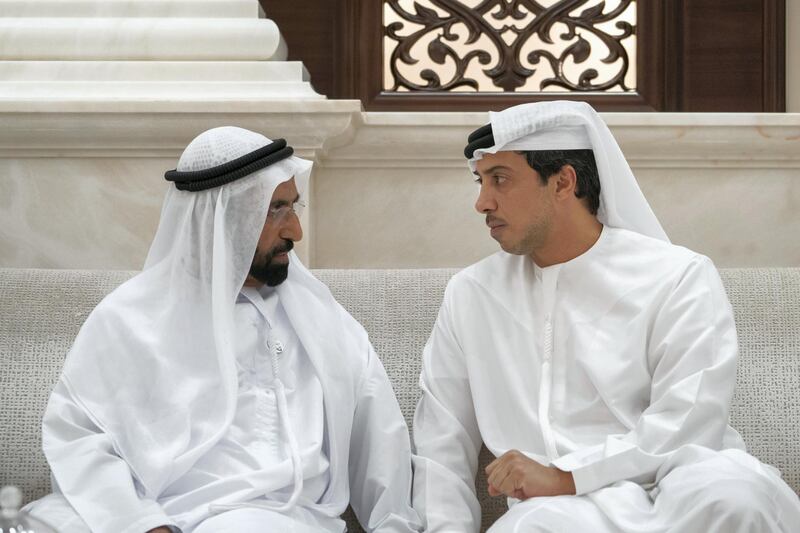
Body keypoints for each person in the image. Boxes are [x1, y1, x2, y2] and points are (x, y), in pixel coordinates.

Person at [411, 100, 800, 532]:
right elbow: (441, 444)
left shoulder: (677, 276)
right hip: (562, 514)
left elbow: (690, 420)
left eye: (499, 179)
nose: (482, 203)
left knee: (735, 495)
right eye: (480, 182)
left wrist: (565, 474)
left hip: (682, 489)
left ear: (563, 182)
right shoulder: (472, 294)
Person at [25, 127, 422, 533]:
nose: (294, 232)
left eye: (293, 208)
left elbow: (382, 448)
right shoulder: (129, 316)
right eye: (275, 211)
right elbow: (80, 437)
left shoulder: (325, 323)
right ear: (223, 218)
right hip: (150, 516)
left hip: (266, 519)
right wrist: (138, 523)